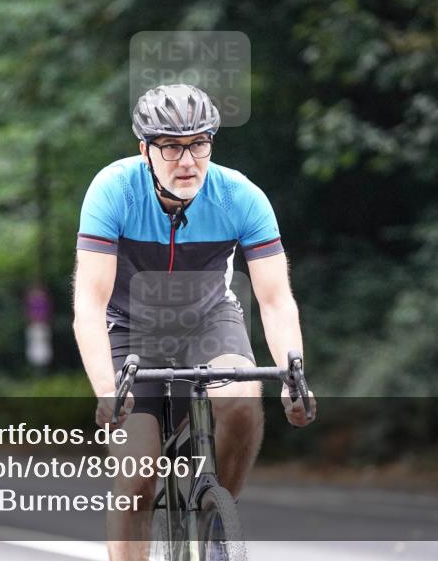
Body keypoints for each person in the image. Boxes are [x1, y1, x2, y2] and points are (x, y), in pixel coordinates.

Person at [72, 83, 316, 561]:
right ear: (144, 150)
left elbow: (275, 300)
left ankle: (215, 520)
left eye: (199, 144)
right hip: (130, 328)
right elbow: (90, 303)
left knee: (242, 402)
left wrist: (295, 376)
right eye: (170, 146)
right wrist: (106, 389)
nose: (187, 161)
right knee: (137, 476)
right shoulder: (114, 190)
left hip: (208, 319)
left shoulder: (240, 196)